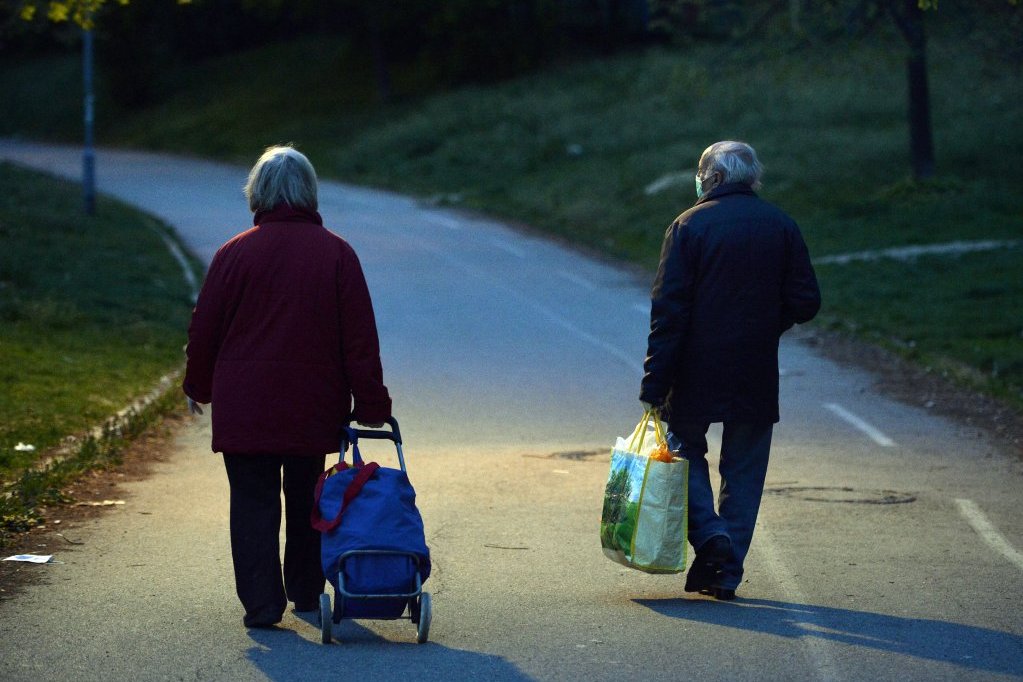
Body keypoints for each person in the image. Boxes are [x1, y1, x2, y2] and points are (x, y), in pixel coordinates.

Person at [183, 145, 392, 628]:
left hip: (246, 408)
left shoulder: (232, 254)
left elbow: (205, 328)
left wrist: (198, 385)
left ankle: (261, 604)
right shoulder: (337, 254)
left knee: (252, 503)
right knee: (306, 500)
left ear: (258, 193)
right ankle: (303, 590)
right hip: (311, 408)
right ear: (308, 193)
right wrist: (372, 403)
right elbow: (359, 338)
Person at [640, 140, 820, 601]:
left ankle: (710, 535)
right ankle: (725, 571)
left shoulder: (688, 227)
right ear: (751, 179)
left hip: (694, 370)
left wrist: (654, 383)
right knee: (744, 469)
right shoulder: (781, 225)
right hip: (756, 369)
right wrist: (766, 325)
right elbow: (806, 302)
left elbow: (669, 312)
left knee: (681, 450)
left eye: (701, 175)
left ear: (712, 179)